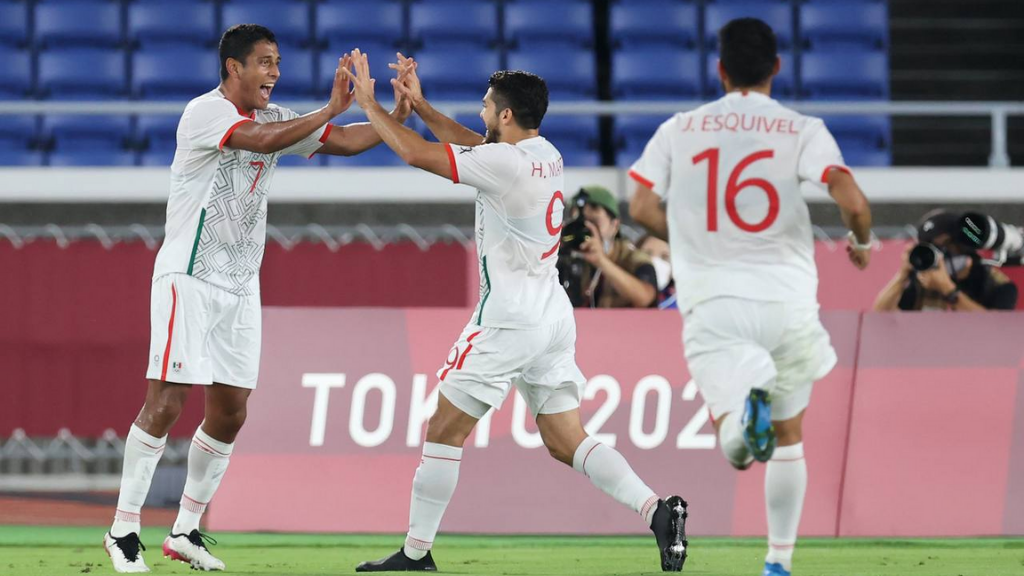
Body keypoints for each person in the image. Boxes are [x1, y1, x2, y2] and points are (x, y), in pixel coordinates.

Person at [341, 50, 689, 572]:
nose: (482, 112)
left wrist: (371, 105)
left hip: (508, 318)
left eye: (486, 106)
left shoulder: (505, 162)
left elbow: (417, 155)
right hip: (551, 315)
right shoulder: (545, 153)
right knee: (565, 439)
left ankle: (415, 555)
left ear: (505, 115)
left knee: (443, 431)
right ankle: (657, 511)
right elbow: (477, 147)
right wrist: (423, 105)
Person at [103, 25, 412, 574]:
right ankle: (124, 529)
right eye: (264, 62)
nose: (273, 72)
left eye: (277, 62)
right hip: (189, 275)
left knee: (231, 411)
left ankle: (185, 529)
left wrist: (397, 112)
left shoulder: (278, 117)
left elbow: (346, 141)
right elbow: (264, 141)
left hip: (242, 282)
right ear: (233, 68)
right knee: (168, 401)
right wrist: (329, 108)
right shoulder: (206, 113)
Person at [628, 18, 872, 576]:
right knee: (790, 440)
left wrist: (693, 237)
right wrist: (860, 242)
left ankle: (746, 415)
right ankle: (778, 563)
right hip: (787, 302)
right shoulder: (802, 129)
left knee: (736, 448)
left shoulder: (680, 128)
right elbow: (853, 202)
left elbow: (640, 206)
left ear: (720, 69)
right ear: (777, 68)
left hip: (714, 302)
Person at [873, 209, 1018, 312]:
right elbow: (880, 318)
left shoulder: (995, 283)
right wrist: (902, 275)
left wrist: (949, 290)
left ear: (963, 246)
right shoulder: (922, 282)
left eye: (945, 246)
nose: (940, 255)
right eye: (932, 248)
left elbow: (996, 331)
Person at [560, 186, 660, 308]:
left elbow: (646, 298)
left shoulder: (632, 258)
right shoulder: (565, 257)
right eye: (581, 224)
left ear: (615, 225)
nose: (587, 230)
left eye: (594, 222)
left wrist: (601, 261)